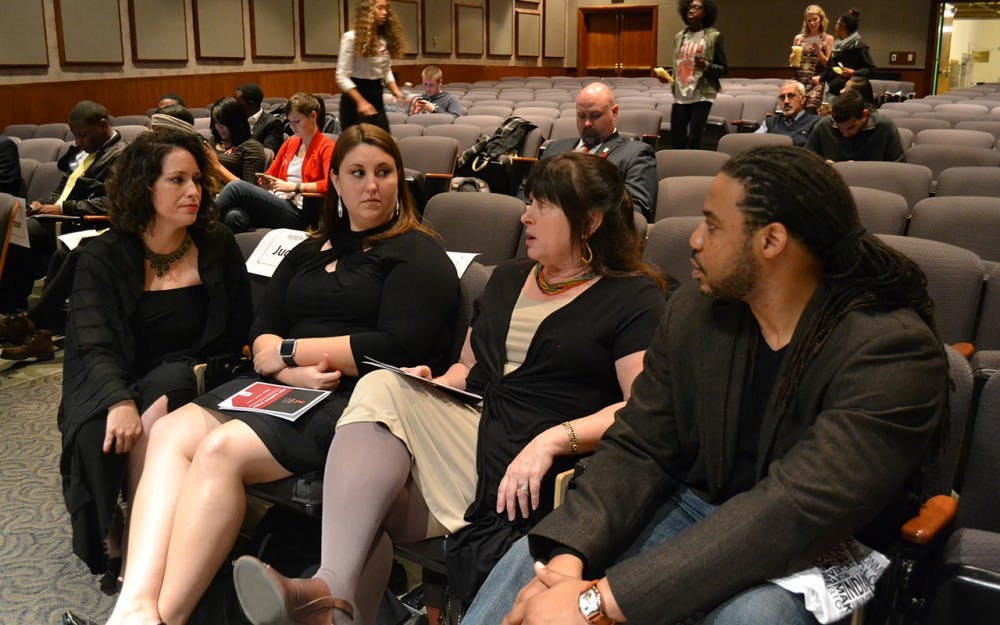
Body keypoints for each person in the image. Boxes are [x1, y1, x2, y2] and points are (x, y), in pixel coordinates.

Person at [460, 145, 949, 625]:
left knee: (753, 616)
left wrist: (594, 602)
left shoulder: (891, 350)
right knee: (533, 564)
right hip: (698, 503)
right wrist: (568, 559)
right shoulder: (698, 311)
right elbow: (638, 444)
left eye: (712, 226)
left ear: (771, 241)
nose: (694, 240)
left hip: (824, 545)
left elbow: (791, 511)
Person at [230, 152, 667, 625]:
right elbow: (467, 371)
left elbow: (636, 408)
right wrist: (432, 384)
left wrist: (555, 439)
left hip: (542, 461)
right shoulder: (508, 278)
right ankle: (331, 592)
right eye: (529, 203)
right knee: (384, 389)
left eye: (542, 206)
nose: (526, 217)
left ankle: (326, 596)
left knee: (368, 507)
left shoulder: (632, 296)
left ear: (590, 221)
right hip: (477, 429)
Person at [68, 123, 459, 625]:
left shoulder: (416, 252)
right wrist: (283, 364)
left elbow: (388, 347)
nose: (371, 185)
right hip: (287, 387)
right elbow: (260, 331)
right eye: (357, 173)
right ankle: (134, 608)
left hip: (355, 403)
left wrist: (290, 351)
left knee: (219, 450)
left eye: (383, 173)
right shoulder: (310, 248)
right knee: (167, 432)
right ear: (334, 182)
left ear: (398, 182)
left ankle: (162, 619)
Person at [57, 129, 252, 592]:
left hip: (193, 367)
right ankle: (111, 531)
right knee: (93, 428)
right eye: (177, 181)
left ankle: (152, 546)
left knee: (159, 407)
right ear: (145, 186)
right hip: (114, 369)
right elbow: (93, 340)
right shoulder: (103, 254)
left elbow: (238, 326)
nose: (193, 192)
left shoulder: (217, 243)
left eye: (197, 181)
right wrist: (118, 399)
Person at [0, 100, 126, 354]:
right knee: (18, 228)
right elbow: (62, 189)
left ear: (103, 126)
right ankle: (25, 318)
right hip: (60, 217)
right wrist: (41, 203)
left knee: (34, 239)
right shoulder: (83, 153)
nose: (78, 141)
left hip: (85, 222)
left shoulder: (122, 155)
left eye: (83, 135)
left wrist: (60, 209)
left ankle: (26, 320)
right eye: (75, 136)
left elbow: (110, 203)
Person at [215, 92, 335, 232]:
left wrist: (293, 187)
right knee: (234, 216)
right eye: (289, 122)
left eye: (297, 122)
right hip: (278, 201)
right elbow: (272, 172)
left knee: (236, 187)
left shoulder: (327, 146)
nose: (292, 127)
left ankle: (198, 228)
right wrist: (266, 182)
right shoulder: (291, 142)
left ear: (313, 116)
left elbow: (330, 184)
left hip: (300, 211)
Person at [538, 83, 657, 221]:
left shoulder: (636, 153)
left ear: (614, 113)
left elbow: (634, 210)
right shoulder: (555, 148)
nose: (587, 123)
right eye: (581, 116)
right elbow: (528, 192)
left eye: (595, 115)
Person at [662, 0, 727, 150]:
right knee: (676, 139)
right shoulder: (680, 36)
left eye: (697, 8)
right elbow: (682, 64)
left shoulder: (713, 37)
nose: (691, 10)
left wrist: (705, 66)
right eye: (690, 7)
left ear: (705, 13)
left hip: (702, 94)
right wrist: (668, 75)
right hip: (680, 94)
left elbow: (723, 69)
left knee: (694, 138)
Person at [336, 0, 406, 132]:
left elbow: (384, 70)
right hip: (354, 99)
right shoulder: (351, 38)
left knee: (383, 143)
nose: (385, 13)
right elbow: (342, 76)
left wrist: (396, 90)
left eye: (386, 9)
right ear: (367, 11)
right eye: (380, 8)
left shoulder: (384, 40)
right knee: (357, 146)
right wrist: (361, 102)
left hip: (376, 95)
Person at [807, 90, 904, 163]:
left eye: (851, 128)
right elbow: (807, 162)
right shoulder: (824, 125)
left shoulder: (884, 127)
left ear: (864, 115)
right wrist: (822, 166)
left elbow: (898, 167)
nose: (845, 134)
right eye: (839, 128)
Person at [204, 96, 267, 184]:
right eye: (216, 122)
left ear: (236, 123)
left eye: (223, 123)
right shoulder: (212, 141)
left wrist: (216, 166)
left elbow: (249, 190)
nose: (219, 127)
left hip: (230, 195)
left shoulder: (251, 147)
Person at [815, 9, 874, 99]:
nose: (835, 27)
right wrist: (820, 77)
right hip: (832, 92)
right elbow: (829, 69)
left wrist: (853, 72)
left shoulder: (859, 47)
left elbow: (871, 70)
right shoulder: (836, 46)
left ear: (842, 26)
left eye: (837, 24)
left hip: (850, 95)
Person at [790, 5, 834, 114]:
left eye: (815, 19)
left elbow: (829, 65)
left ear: (821, 20)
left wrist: (819, 53)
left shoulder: (827, 39)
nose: (812, 23)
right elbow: (794, 64)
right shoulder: (799, 38)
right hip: (800, 78)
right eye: (809, 20)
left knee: (811, 110)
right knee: (795, 109)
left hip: (816, 80)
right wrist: (792, 59)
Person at [754, 81, 820, 147]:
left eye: (791, 96)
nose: (786, 101)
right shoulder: (770, 122)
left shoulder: (816, 123)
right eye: (782, 97)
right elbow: (753, 143)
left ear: (802, 99)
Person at [235, 83, 286, 154]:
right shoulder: (236, 119)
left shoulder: (273, 123)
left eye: (238, 100)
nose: (234, 103)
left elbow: (268, 152)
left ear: (250, 103)